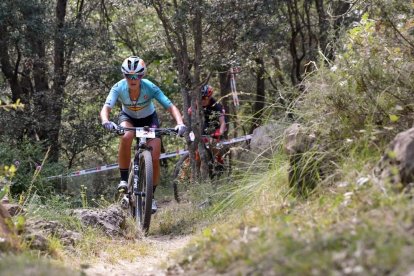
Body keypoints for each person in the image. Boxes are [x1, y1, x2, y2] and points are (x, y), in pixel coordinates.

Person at [100, 56, 186, 213]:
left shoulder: (150, 87)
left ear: (142, 76)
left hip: (148, 120)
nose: (133, 79)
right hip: (128, 118)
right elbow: (106, 107)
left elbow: (170, 106)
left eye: (137, 76)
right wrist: (106, 121)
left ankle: (151, 197)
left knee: (154, 156)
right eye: (128, 76)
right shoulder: (118, 87)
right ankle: (124, 180)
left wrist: (179, 123)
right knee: (126, 136)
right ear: (124, 76)